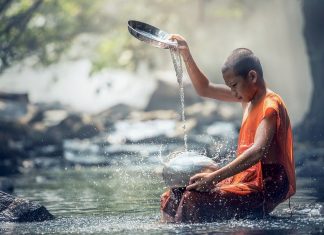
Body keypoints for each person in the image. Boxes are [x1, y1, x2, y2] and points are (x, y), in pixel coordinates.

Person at [160, 34, 296, 223]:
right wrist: (185, 54)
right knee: (172, 195)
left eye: (234, 86)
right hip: (245, 179)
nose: (233, 93)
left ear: (252, 76)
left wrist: (214, 178)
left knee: (192, 199)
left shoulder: (270, 105)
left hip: (267, 186)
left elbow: (258, 151)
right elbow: (205, 89)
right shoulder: (247, 97)